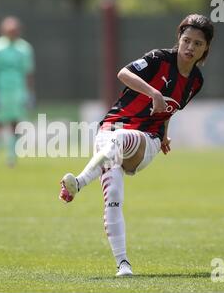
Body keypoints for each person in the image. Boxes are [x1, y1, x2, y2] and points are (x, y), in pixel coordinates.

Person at [59, 14, 214, 276]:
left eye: (197, 44)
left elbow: (169, 111)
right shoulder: (158, 59)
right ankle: (123, 264)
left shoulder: (195, 81)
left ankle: (80, 182)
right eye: (186, 40)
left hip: (147, 140)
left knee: (122, 140)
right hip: (111, 128)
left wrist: (164, 135)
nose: (190, 47)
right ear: (179, 38)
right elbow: (123, 73)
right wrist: (153, 92)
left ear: (205, 48)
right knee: (114, 196)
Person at [0, 16, 35, 168]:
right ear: (3, 30)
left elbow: (28, 73)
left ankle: (11, 158)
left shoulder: (24, 48)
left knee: (15, 124)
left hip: (17, 91)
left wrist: (29, 93)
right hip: (1, 91)